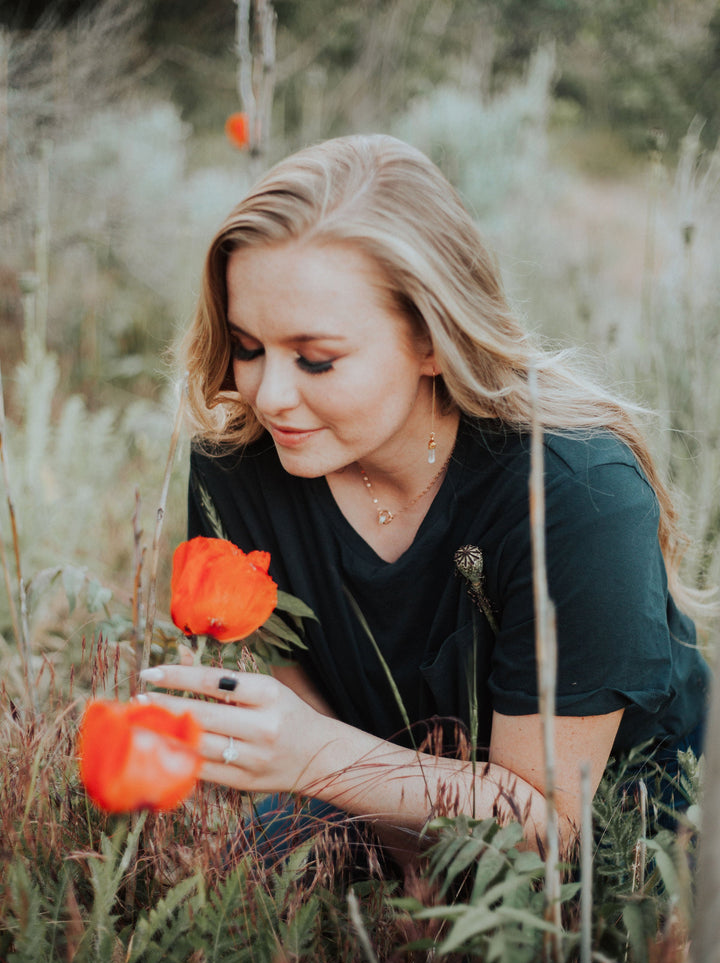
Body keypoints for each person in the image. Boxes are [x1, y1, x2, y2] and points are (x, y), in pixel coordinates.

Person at [140, 134, 709, 866]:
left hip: (621, 863)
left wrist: (315, 760)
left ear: (433, 342)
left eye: (317, 359)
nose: (270, 395)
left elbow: (550, 826)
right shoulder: (237, 465)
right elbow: (308, 716)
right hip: (382, 813)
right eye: (248, 347)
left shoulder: (577, 493)